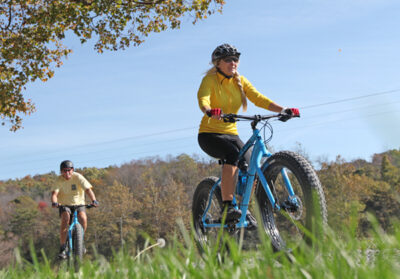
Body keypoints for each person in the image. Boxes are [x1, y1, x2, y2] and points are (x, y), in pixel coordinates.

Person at [197, 43, 299, 228]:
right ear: (218, 63)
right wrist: (210, 111)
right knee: (232, 155)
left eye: (236, 59)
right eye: (228, 59)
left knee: (251, 164)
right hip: (210, 134)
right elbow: (203, 98)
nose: (233, 62)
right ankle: (228, 206)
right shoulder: (210, 80)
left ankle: (242, 208)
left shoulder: (241, 81)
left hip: (231, 134)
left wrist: (283, 109)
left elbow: (259, 98)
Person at [51, 160, 99, 259]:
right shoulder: (59, 180)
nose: (67, 173)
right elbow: (54, 194)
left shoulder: (78, 177)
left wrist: (94, 200)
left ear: (72, 170)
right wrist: (54, 203)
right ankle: (63, 246)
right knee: (65, 218)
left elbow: (88, 190)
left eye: (69, 170)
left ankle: (80, 241)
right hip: (65, 205)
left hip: (79, 204)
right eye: (64, 171)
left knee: (83, 218)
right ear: (61, 171)